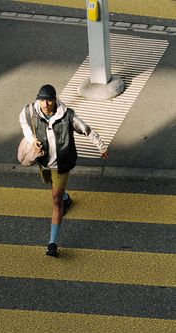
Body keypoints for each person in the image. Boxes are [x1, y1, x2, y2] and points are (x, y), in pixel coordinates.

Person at [19, 84, 109, 257]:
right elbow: (22, 120)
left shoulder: (67, 116)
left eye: (49, 100)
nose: (46, 104)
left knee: (55, 200)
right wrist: (31, 139)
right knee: (53, 187)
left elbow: (86, 129)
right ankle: (66, 198)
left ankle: (52, 243)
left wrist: (101, 146)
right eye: (43, 100)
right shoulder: (31, 111)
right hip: (44, 161)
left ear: (55, 100)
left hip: (61, 165)